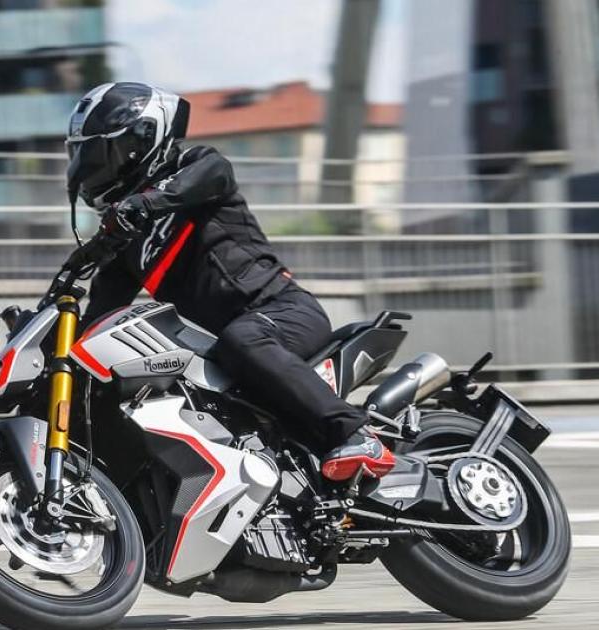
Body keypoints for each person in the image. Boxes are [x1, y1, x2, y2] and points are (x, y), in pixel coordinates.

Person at [65, 82, 394, 481]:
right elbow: (96, 320)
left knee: (243, 339)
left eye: (97, 155)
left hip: (283, 314)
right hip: (226, 348)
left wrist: (145, 203)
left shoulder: (197, 169)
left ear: (139, 142)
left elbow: (211, 174)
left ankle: (355, 434)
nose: (89, 168)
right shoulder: (129, 248)